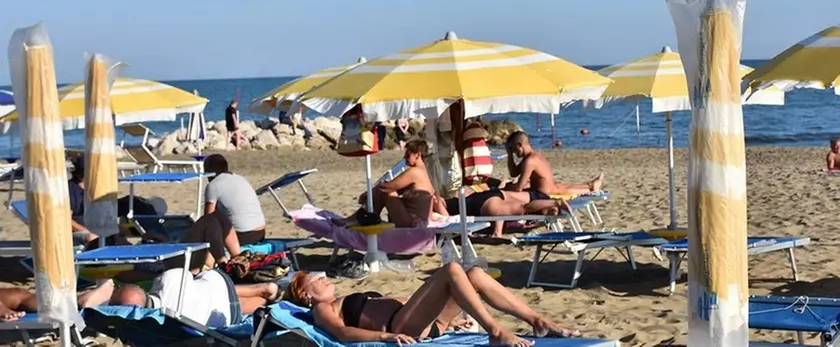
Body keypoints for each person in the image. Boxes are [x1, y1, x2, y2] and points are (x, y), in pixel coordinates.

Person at [284, 263, 578, 346]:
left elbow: (400, 301)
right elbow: (342, 334)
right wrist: (385, 337)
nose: (323, 279)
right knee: (451, 270)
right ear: (306, 296)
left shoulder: (339, 299)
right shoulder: (322, 310)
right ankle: (494, 330)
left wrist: (448, 315)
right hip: (400, 327)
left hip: (423, 322)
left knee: (474, 274)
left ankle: (536, 320)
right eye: (316, 280)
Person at [110, 268, 282, 328]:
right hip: (221, 287)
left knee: (214, 297)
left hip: (225, 315)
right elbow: (191, 273)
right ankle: (263, 290)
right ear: (142, 289)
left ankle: (267, 301)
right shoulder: (167, 280)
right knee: (208, 285)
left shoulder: (160, 323)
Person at [343, 140, 435, 228]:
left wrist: (368, 194)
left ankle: (364, 218)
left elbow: (388, 187)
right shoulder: (426, 171)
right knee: (384, 190)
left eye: (408, 154)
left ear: (417, 155)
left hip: (413, 222)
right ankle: (364, 216)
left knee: (385, 190)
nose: (405, 157)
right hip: (422, 221)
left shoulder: (415, 172)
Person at [200, 154, 267, 257]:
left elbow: (208, 218)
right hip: (261, 231)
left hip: (242, 234)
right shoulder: (240, 178)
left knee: (209, 230)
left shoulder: (213, 185)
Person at [432, 188, 571, 238]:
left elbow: (446, 218)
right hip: (489, 196)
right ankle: (550, 206)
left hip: (483, 204)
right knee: (516, 208)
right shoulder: (448, 199)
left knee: (524, 208)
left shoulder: (438, 202)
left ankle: (556, 203)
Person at [503, 131, 603, 197]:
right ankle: (589, 186)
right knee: (560, 186)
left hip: (543, 194)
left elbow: (518, 188)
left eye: (513, 148)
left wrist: (504, 189)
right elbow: (514, 173)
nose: (514, 152)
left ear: (520, 145)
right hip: (547, 189)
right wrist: (509, 154)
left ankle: (590, 188)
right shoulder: (535, 155)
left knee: (559, 189)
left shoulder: (530, 161)